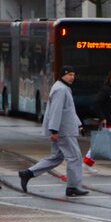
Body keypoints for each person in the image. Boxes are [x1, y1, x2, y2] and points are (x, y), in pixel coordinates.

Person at [18, 65, 88, 197]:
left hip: (63, 129)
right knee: (75, 157)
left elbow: (69, 110)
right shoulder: (61, 89)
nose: (72, 77)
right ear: (62, 75)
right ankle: (73, 187)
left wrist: (79, 125)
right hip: (63, 131)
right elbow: (56, 111)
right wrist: (54, 130)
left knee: (56, 157)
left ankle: (28, 173)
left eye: (73, 75)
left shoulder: (63, 88)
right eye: (69, 75)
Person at [83, 69, 111, 168]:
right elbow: (95, 105)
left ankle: (87, 163)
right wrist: (102, 118)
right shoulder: (106, 90)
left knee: (98, 144)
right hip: (108, 122)